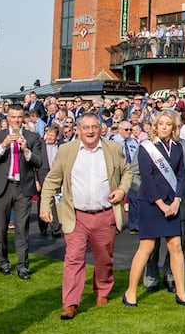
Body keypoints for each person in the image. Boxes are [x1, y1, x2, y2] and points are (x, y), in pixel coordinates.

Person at [39, 112, 132, 320]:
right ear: (78, 130)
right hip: (76, 215)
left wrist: (122, 190)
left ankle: (102, 291)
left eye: (94, 127)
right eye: (86, 127)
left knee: (104, 258)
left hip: (105, 214)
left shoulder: (113, 148)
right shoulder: (66, 150)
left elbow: (127, 172)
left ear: (101, 129)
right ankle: (70, 303)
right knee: (73, 258)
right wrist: (45, 205)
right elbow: (52, 179)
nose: (90, 131)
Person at [121, 111, 185, 307]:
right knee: (147, 247)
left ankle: (181, 292)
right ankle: (130, 292)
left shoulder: (178, 148)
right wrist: (161, 204)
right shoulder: (147, 147)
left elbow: (181, 175)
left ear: (173, 127)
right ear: (156, 126)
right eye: (161, 123)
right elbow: (147, 177)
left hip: (172, 205)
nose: (164, 127)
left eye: (168, 124)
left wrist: (176, 201)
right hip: (151, 204)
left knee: (176, 247)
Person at [0, 103, 43, 279]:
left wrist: (26, 150)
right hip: (2, 187)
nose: (17, 120)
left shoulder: (32, 137)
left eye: (19, 117)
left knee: (22, 228)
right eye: (13, 117)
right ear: (8, 118)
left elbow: (39, 162)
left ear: (23, 118)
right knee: (0, 228)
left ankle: (22, 266)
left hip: (23, 187)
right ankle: (2, 262)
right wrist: (4, 145)